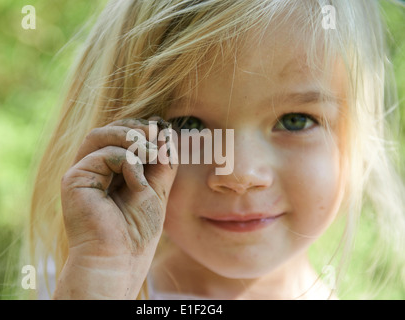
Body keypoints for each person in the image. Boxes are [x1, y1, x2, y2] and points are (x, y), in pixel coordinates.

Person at [27, 0, 405, 299]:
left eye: (295, 120)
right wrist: (100, 280)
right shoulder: (84, 283)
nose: (240, 174)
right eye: (186, 125)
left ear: (355, 138)